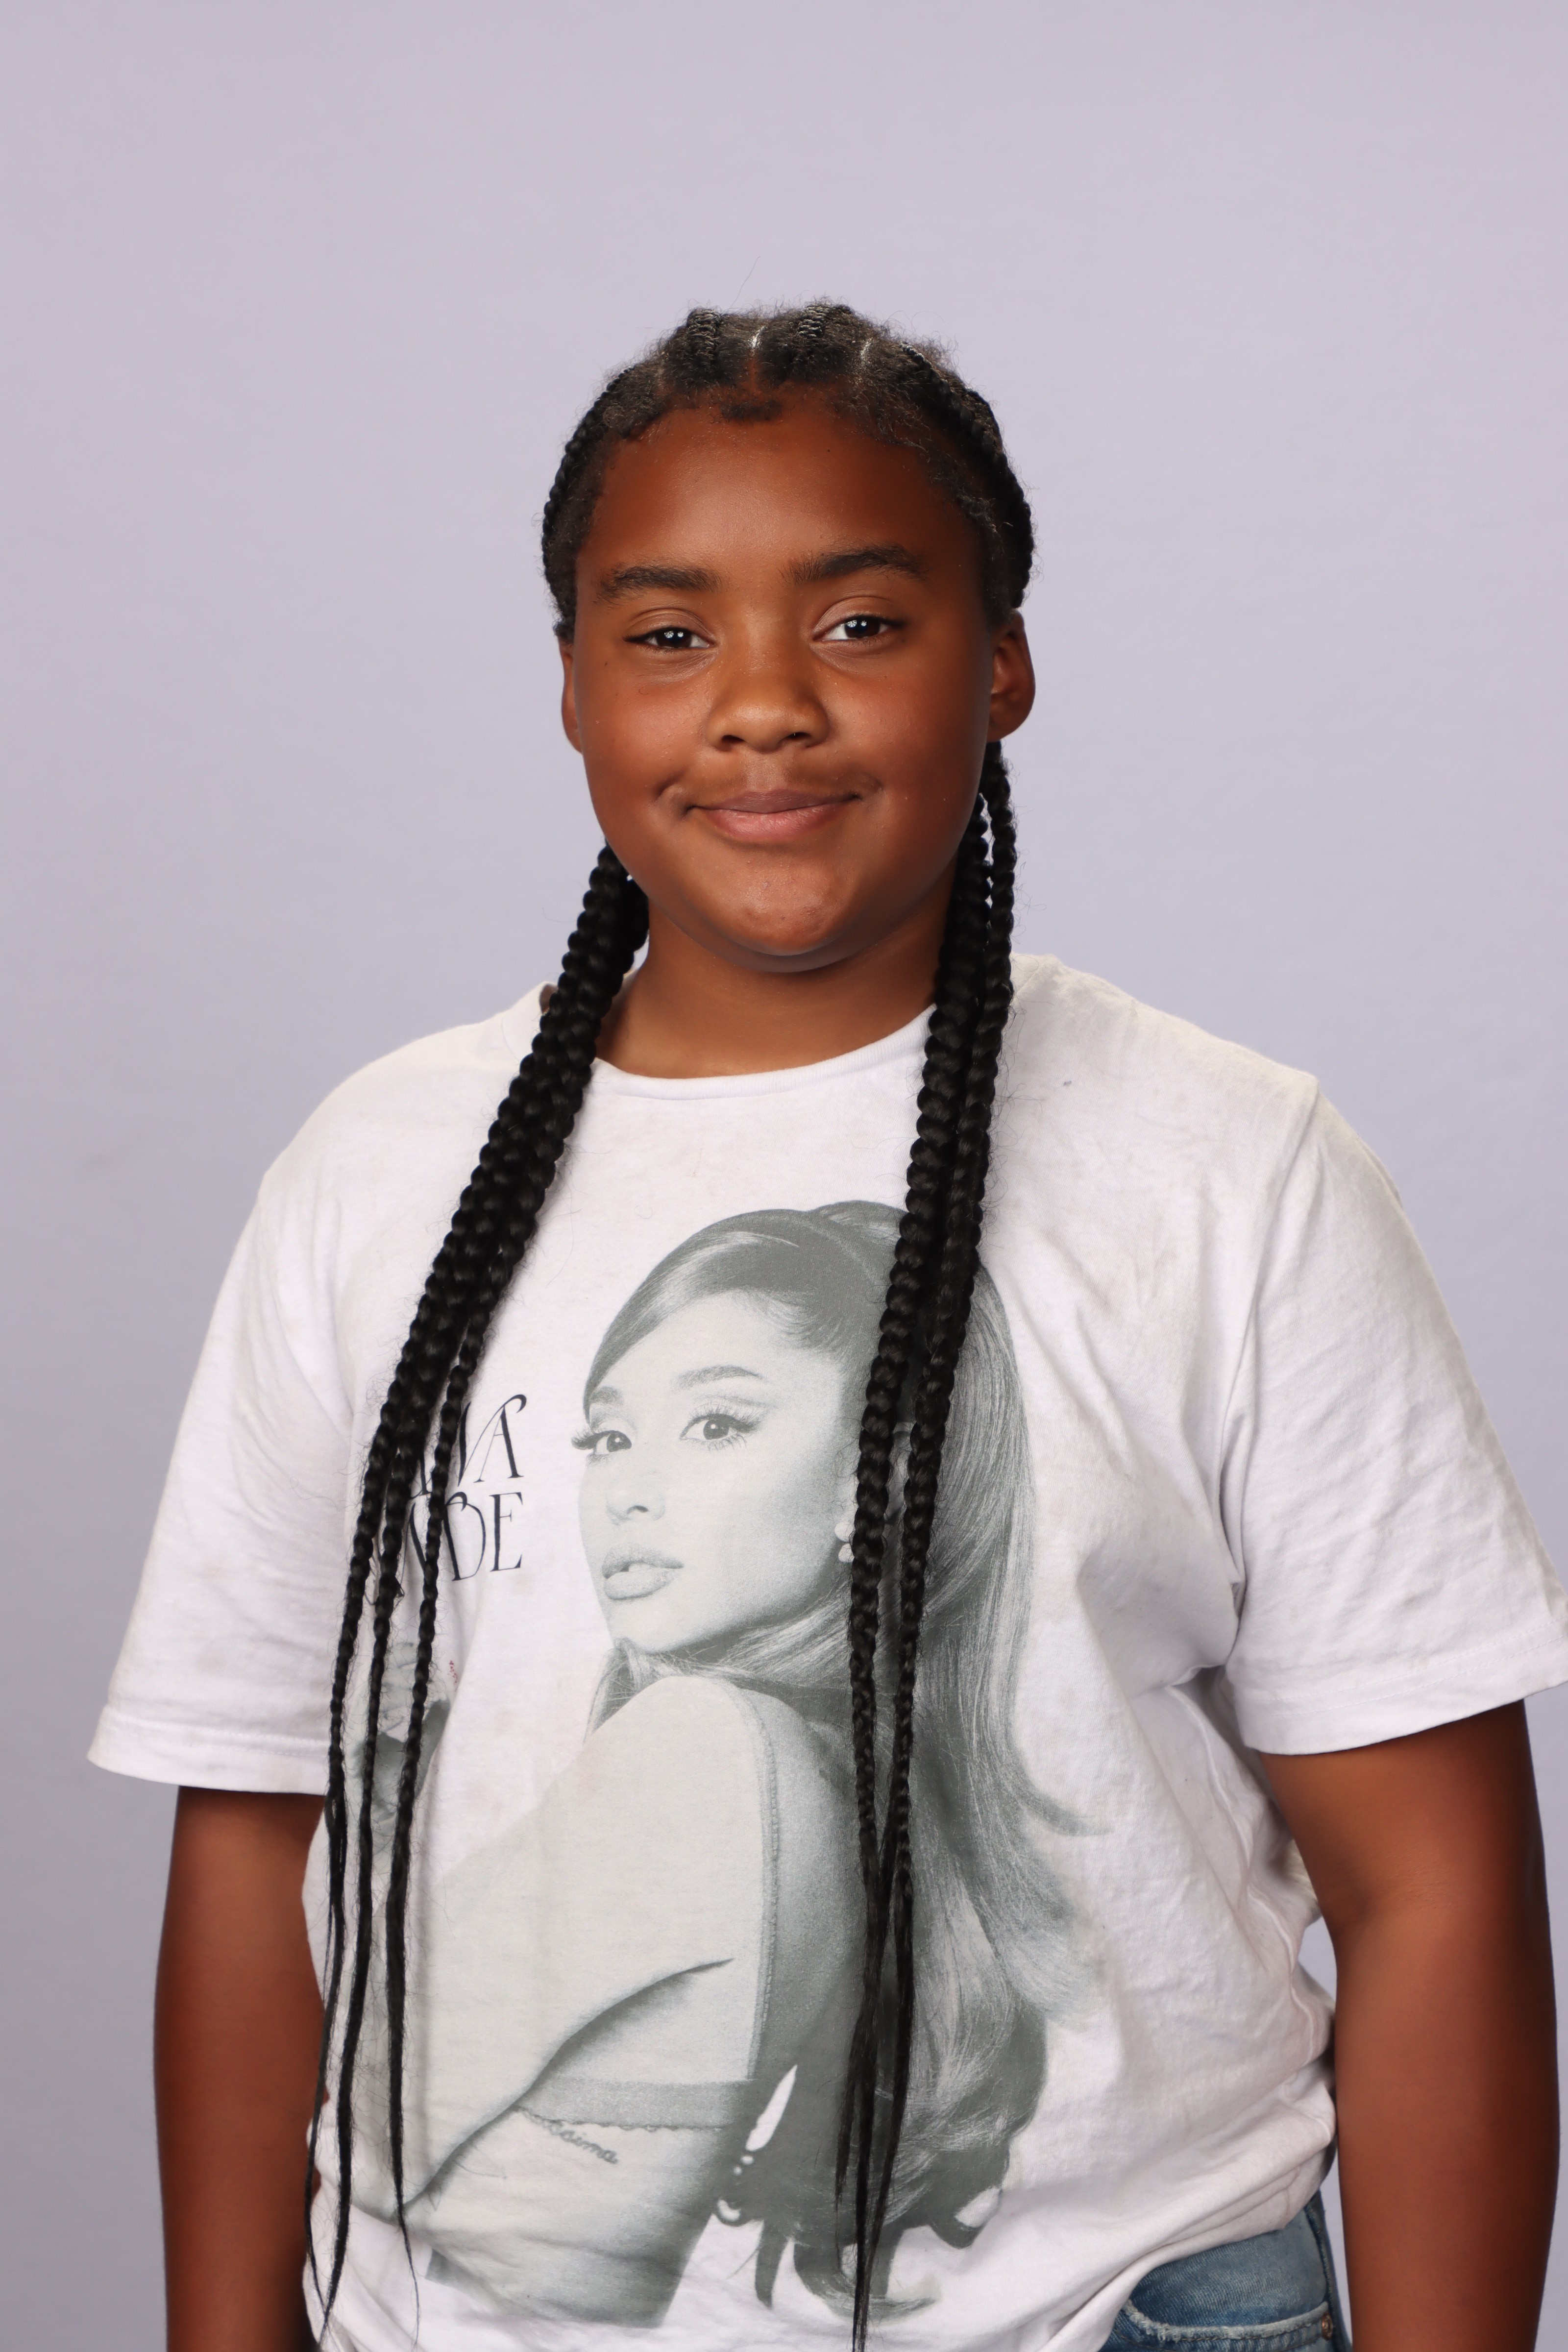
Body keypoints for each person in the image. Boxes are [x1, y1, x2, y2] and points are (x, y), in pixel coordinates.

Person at [94, 302, 1565, 2352]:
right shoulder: (376, 1179)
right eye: (667, 632)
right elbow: (264, 1844)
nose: (762, 705)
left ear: (1002, 662)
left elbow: (1435, 1894)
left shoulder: (1234, 1173)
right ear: (571, 685)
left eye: (861, 623)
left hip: (1117, 2306)